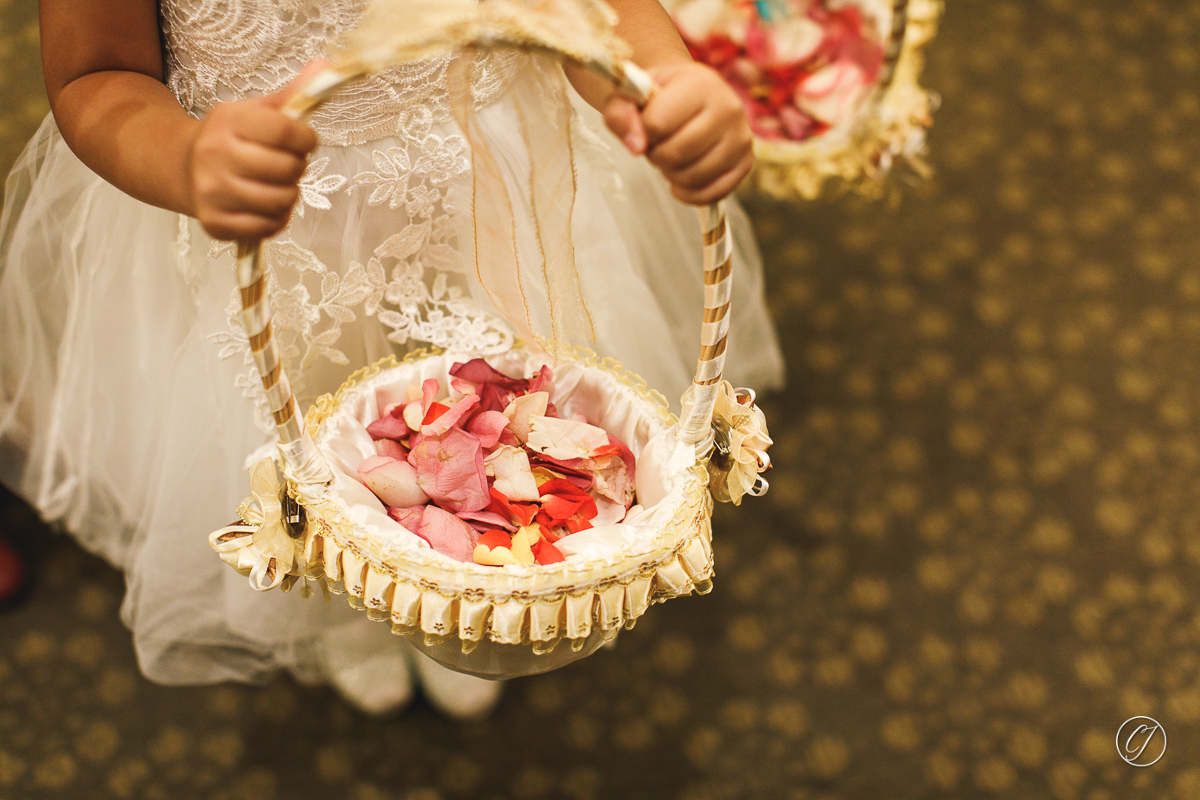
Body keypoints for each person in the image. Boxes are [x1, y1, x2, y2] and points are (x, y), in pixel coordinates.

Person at [0, 0, 784, 717]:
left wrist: (659, 83)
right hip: (270, 223)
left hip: (485, 180)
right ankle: (352, 616)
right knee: (302, 453)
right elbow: (97, 74)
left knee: (517, 414)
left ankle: (472, 595)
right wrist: (188, 160)